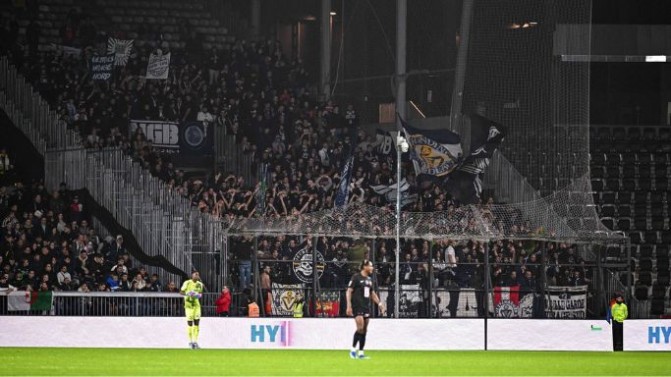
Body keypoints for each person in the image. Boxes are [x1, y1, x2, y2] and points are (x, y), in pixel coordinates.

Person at [346, 259, 385, 359]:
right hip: (357, 306)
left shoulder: (369, 279)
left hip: (366, 306)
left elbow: (372, 293)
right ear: (365, 266)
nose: (372, 268)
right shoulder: (356, 277)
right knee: (360, 328)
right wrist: (349, 306)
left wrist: (379, 304)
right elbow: (349, 291)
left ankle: (361, 352)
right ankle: (353, 350)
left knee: (364, 330)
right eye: (370, 266)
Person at [180, 271, 205, 349]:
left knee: (197, 323)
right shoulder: (187, 283)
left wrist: (197, 295)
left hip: (197, 306)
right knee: (190, 324)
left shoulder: (200, 284)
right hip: (188, 306)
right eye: (195, 274)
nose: (197, 276)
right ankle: (190, 342)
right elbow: (181, 292)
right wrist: (188, 294)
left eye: (198, 274)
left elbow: (200, 294)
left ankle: (195, 341)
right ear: (192, 275)